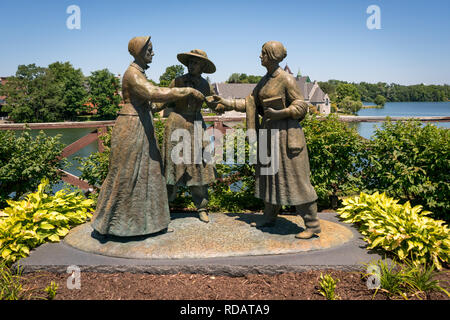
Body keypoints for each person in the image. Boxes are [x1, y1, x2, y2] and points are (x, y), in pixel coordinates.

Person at [92, 36, 205, 237]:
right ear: (139, 51)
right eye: (149, 50)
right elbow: (153, 92)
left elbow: (152, 101)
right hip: (132, 125)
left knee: (149, 172)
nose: (153, 53)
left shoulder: (139, 73)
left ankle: (148, 222)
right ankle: (113, 223)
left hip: (142, 122)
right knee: (127, 173)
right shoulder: (133, 74)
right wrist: (185, 91)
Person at [211, 41, 321, 239]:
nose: (259, 56)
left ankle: (312, 225)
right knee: (270, 178)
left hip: (287, 135)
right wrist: (226, 102)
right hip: (269, 135)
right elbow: (250, 102)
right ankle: (270, 217)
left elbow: (301, 106)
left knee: (296, 179)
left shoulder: (286, 79)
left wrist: (281, 112)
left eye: (263, 53)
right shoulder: (264, 80)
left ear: (272, 56)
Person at [160, 49, 217, 223]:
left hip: (197, 126)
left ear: (203, 66)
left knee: (199, 167)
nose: (192, 65)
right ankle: (164, 208)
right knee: (172, 167)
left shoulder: (205, 85)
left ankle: (202, 207)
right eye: (190, 62)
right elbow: (163, 102)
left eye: (196, 62)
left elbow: (213, 104)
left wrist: (219, 105)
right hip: (177, 123)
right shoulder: (176, 81)